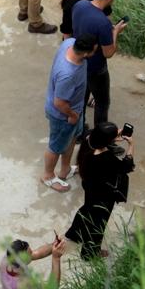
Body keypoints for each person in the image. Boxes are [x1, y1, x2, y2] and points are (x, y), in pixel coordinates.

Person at [64, 122, 135, 260]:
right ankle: (89, 253)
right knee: (98, 223)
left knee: (86, 209)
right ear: (107, 141)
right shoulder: (107, 158)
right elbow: (126, 167)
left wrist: (112, 135)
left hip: (90, 186)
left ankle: (75, 234)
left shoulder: (88, 141)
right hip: (103, 195)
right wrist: (131, 145)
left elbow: (100, 138)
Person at [43, 34, 99, 192]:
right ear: (86, 53)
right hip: (63, 115)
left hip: (76, 109)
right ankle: (48, 176)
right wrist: (72, 115)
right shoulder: (68, 74)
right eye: (94, 50)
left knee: (72, 138)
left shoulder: (70, 42)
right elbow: (59, 102)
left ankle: (65, 169)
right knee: (56, 145)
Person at [71, 0, 127, 126]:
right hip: (96, 68)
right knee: (102, 102)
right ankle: (100, 138)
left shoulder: (80, 5)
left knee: (81, 98)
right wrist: (115, 32)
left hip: (78, 61)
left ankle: (79, 131)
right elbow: (108, 53)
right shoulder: (103, 23)